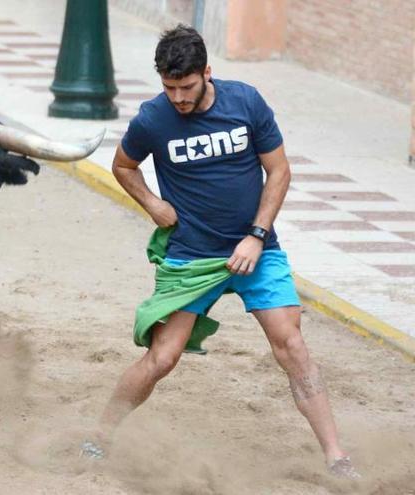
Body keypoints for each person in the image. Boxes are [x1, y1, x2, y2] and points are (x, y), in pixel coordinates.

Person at [80, 25, 360, 479]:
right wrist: (152, 204)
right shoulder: (154, 119)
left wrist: (256, 234)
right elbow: (123, 165)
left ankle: (337, 457)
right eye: (169, 87)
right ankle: (99, 438)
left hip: (256, 249)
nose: (178, 98)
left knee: (291, 345)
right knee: (162, 356)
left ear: (207, 72)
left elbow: (279, 171)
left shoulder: (245, 102)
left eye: (186, 87)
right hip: (191, 256)